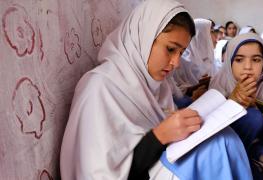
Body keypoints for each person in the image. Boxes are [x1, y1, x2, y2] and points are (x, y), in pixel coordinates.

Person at [60, 0, 252, 179]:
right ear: (143, 37)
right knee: (217, 148)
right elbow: (101, 174)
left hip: (156, 167)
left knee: (226, 136)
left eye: (181, 52)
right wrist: (159, 136)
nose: (176, 63)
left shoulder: (157, 88)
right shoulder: (100, 88)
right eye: (170, 49)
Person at [210, 33, 263, 179]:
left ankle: (243, 158)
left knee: (253, 117)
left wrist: (254, 107)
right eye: (239, 60)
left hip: (249, 145)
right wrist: (232, 101)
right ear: (229, 61)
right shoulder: (220, 81)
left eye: (256, 60)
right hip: (217, 147)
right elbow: (209, 127)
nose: (248, 67)